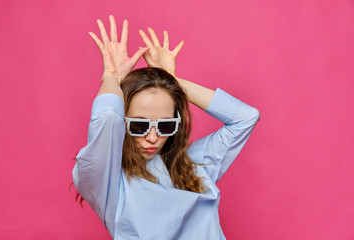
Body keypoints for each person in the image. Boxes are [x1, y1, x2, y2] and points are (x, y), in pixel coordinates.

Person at [72, 15, 260, 240]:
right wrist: (111, 78)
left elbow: (245, 117)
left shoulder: (194, 166)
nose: (153, 137)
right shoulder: (107, 179)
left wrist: (172, 81)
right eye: (140, 126)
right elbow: (107, 118)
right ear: (123, 123)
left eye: (165, 125)